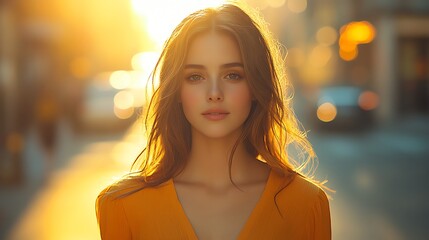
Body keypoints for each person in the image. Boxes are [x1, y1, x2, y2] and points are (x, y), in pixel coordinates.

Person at [96, 2, 331, 239]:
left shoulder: (305, 203)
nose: (214, 92)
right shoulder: (123, 205)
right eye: (195, 76)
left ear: (255, 86)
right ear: (177, 89)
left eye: (233, 75)